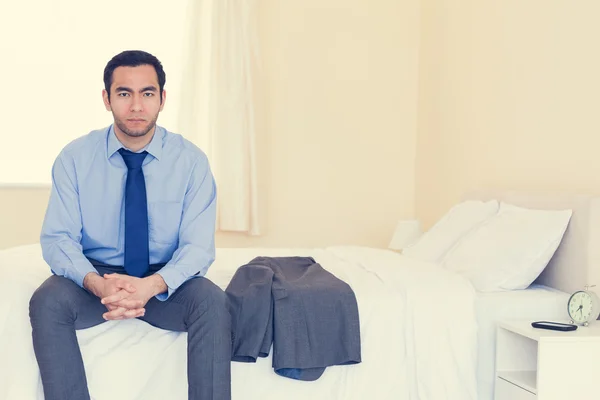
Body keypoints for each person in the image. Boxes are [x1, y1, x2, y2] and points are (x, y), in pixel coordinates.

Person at [28, 50, 231, 400]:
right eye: (124, 93)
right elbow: (59, 238)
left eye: (147, 93)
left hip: (163, 278)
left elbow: (197, 248)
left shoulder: (191, 162)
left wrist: (151, 285)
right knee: (47, 301)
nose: (136, 106)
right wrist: (97, 284)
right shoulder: (75, 158)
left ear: (162, 99)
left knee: (212, 302)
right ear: (107, 99)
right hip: (98, 276)